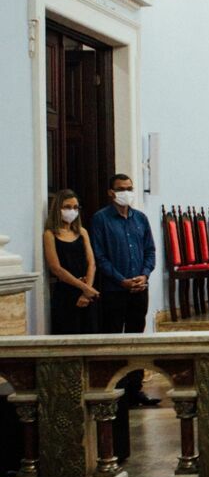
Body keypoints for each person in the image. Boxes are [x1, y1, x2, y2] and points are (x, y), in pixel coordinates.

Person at [90, 174, 158, 411]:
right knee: (114, 338)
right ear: (111, 192)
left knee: (136, 338)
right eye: (121, 189)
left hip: (139, 288)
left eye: (130, 188)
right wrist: (122, 281)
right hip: (114, 290)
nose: (126, 192)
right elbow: (99, 256)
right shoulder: (101, 220)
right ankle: (115, 389)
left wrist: (144, 275)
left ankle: (134, 389)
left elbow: (150, 251)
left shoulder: (140, 218)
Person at [43, 190, 98, 334]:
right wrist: (83, 287)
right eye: (67, 207)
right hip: (66, 292)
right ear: (58, 209)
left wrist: (87, 291)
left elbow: (91, 263)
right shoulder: (50, 234)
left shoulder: (82, 232)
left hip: (87, 292)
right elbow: (56, 268)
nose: (72, 211)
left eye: (75, 207)